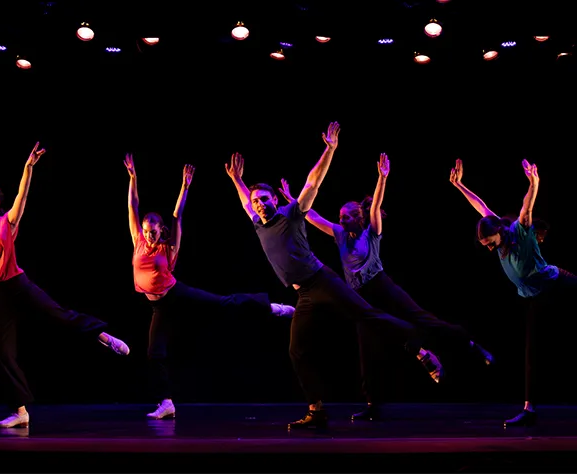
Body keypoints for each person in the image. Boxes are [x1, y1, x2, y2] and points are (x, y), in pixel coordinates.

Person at [224, 121, 444, 431]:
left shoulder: (291, 213)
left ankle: (418, 344)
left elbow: (312, 184)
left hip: (322, 280)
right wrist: (238, 180)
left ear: (276, 200)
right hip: (303, 294)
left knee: (367, 316)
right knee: (296, 350)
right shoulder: (258, 221)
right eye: (257, 201)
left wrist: (329, 150)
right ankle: (317, 411)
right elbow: (246, 200)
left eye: (265, 199)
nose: (260, 204)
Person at [278, 152, 494, 422]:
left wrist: (382, 178)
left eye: (347, 217)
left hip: (381, 285)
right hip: (359, 296)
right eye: (340, 217)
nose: (342, 220)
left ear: (360, 217)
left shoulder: (372, 231)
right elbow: (312, 217)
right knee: (366, 350)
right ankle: (373, 404)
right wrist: (293, 202)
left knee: (423, 319)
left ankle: (470, 344)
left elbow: (376, 203)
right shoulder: (338, 233)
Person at [0, 142, 130, 429]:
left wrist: (28, 167)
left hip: (17, 284)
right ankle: (20, 410)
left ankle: (102, 335)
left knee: (58, 314)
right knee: (2, 351)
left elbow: (22, 195)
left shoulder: (8, 221)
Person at [124, 153, 295, 420]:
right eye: (146, 230)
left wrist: (185, 187)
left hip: (175, 295)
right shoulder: (138, 241)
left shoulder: (169, 247)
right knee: (154, 352)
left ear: (161, 231)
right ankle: (167, 403)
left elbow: (177, 214)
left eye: (153, 231)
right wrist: (133, 177)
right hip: (158, 306)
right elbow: (133, 206)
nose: (148, 234)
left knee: (222, 304)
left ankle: (272, 308)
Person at [449, 158, 577, 427]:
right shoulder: (493, 230)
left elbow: (527, 205)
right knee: (532, 352)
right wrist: (460, 185)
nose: (488, 248)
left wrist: (535, 183)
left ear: (498, 231)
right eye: (484, 245)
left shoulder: (520, 230)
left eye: (490, 242)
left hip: (557, 284)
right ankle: (529, 409)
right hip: (534, 299)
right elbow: (480, 206)